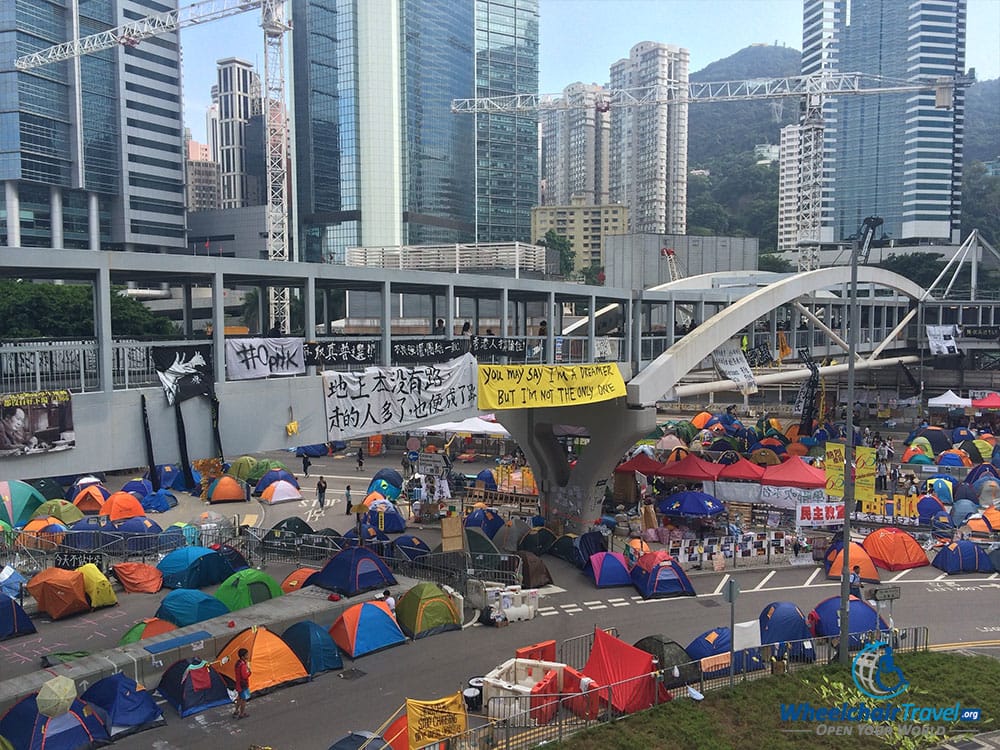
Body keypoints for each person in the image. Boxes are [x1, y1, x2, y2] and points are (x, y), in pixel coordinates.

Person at [233, 648, 251, 719]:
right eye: (246, 655)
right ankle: (242, 713)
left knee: (239, 698)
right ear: (243, 657)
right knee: (244, 700)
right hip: (243, 685)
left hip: (238, 684)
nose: (248, 656)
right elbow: (244, 676)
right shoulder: (243, 665)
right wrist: (249, 672)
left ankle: (236, 711)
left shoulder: (238, 663)